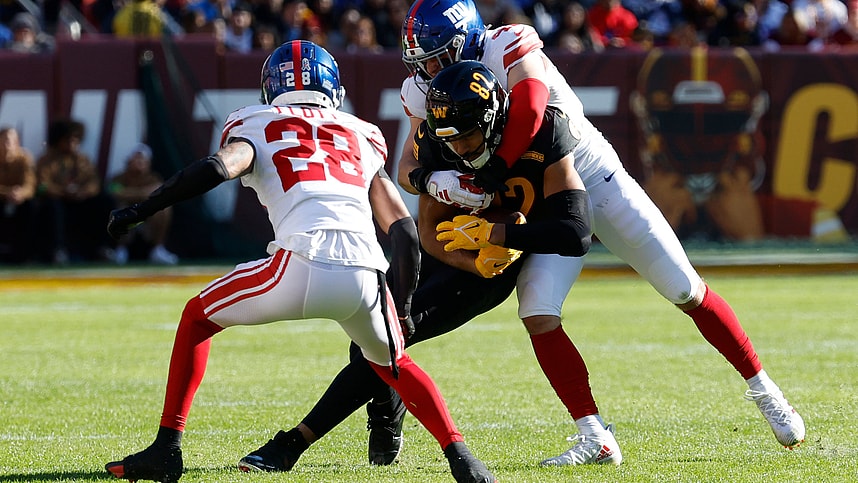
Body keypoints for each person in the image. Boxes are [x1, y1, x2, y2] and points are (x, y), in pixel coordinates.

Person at [394, 0, 803, 464]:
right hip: (537, 198)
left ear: (467, 38)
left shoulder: (507, 43)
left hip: (592, 178)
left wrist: (491, 175)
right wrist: (433, 181)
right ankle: (594, 435)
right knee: (537, 310)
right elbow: (413, 159)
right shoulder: (422, 89)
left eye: (438, 56)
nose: (429, 70)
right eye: (421, 61)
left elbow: (528, 109)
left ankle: (765, 390)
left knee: (685, 288)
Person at [102, 40, 496, 483]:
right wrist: (401, 309)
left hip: (298, 263)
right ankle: (463, 459)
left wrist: (141, 210)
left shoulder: (255, 121)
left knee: (197, 317)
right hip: (366, 272)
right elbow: (403, 232)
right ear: (334, 89)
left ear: (272, 88)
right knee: (395, 363)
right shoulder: (361, 133)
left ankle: (166, 449)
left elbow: (217, 168)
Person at [237, 59, 601, 472]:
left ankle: (291, 444)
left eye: (467, 137)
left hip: (494, 266)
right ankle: (388, 409)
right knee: (370, 335)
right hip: (447, 249)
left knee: (392, 339)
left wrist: (495, 241)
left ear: (492, 118)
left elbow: (575, 233)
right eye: (450, 142)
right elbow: (428, 232)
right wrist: (463, 248)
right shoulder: (439, 139)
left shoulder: (543, 131)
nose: (459, 149)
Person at [35, 119, 115, 265]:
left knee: (105, 201)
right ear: (58, 140)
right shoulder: (47, 160)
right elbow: (43, 185)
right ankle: (58, 250)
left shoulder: (83, 160)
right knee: (52, 207)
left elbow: (94, 183)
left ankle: (103, 248)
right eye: (68, 139)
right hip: (59, 202)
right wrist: (63, 192)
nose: (73, 142)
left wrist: (83, 192)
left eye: (76, 139)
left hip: (81, 201)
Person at [107, 143, 179, 265]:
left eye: (143, 159)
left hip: (147, 217)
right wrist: (142, 194)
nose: (139, 162)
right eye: (136, 158)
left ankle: (157, 249)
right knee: (120, 209)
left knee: (165, 208)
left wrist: (132, 194)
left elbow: (158, 192)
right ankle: (120, 250)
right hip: (127, 216)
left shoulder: (154, 178)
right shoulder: (118, 178)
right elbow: (115, 192)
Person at [0, 126, 37, 263]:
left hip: (19, 201)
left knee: (31, 206)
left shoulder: (24, 159)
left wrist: (20, 193)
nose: (7, 146)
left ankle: (24, 255)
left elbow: (30, 183)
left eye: (10, 142)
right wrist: (6, 192)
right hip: (2, 199)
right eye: (4, 141)